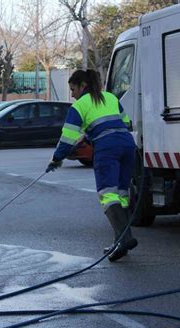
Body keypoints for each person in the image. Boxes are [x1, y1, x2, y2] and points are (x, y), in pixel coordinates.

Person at [46, 69, 137, 262]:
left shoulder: (79, 106)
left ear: (83, 86)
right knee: (121, 193)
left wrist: (56, 159)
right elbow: (126, 123)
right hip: (128, 145)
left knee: (107, 193)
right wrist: (90, 134)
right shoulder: (110, 97)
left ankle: (125, 238)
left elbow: (67, 137)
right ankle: (120, 241)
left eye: (73, 89)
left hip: (107, 148)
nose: (72, 94)